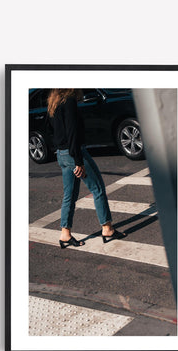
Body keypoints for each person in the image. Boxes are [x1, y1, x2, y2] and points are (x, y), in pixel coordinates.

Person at [47, 88, 126, 249]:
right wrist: (78, 161)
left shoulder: (53, 103)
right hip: (73, 154)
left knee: (69, 195)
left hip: (61, 154)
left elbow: (52, 131)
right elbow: (72, 132)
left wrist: (64, 153)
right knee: (98, 189)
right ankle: (107, 229)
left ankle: (65, 234)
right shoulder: (68, 101)